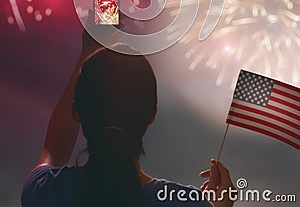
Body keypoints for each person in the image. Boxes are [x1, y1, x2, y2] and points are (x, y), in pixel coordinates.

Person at [21, 18, 235, 207]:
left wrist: (87, 53)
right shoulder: (185, 202)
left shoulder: (45, 191)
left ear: (77, 111)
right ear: (152, 115)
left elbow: (55, 151)